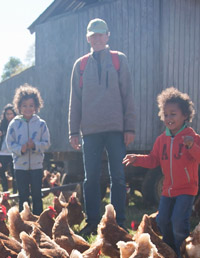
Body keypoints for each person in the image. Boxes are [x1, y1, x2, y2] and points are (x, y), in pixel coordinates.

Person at [123, 88, 200, 258]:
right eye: (166, 115)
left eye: (173, 114)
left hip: (186, 189)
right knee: (162, 220)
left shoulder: (191, 137)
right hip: (167, 190)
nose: (169, 118)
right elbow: (153, 160)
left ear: (185, 115)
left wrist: (192, 146)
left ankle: (182, 256)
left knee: (179, 221)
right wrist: (137, 159)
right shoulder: (162, 140)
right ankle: (170, 251)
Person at [69, 17, 136, 236]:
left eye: (100, 34)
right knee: (91, 178)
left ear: (107, 36)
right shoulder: (80, 65)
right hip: (90, 131)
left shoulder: (119, 60)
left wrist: (129, 128)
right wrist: (73, 130)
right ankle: (92, 221)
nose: (97, 38)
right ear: (88, 38)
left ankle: (118, 223)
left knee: (118, 176)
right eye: (93, 35)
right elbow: (75, 100)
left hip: (116, 129)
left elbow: (128, 95)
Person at [7, 84, 50, 215]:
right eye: (24, 105)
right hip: (20, 167)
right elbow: (10, 144)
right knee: (23, 196)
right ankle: (22, 222)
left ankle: (39, 221)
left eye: (31, 105)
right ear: (19, 107)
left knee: (37, 195)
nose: (28, 108)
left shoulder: (41, 124)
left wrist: (35, 146)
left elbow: (47, 143)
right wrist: (22, 148)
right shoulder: (14, 124)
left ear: (36, 107)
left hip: (36, 166)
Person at [0, 103, 16, 193]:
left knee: (14, 173)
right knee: (2, 172)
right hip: (3, 151)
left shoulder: (17, 123)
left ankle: (15, 191)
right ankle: (5, 190)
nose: (9, 116)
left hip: (13, 151)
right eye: (7, 114)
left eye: (11, 114)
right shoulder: (1, 123)